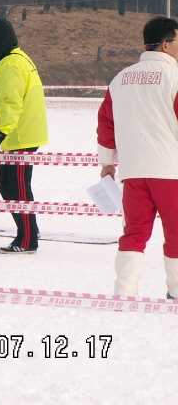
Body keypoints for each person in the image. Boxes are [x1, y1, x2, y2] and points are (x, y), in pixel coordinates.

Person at [97, 16, 178, 298]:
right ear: (166, 45)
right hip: (171, 171)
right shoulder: (174, 76)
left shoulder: (121, 78)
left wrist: (107, 161)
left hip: (133, 171)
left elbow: (106, 124)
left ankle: (124, 292)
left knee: (134, 233)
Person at [0, 18, 48, 253]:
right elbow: (9, 99)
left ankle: (27, 240)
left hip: (21, 134)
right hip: (19, 133)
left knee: (17, 187)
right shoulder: (16, 58)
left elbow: (11, 102)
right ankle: (28, 229)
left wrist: (0, 134)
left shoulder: (10, 64)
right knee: (6, 182)